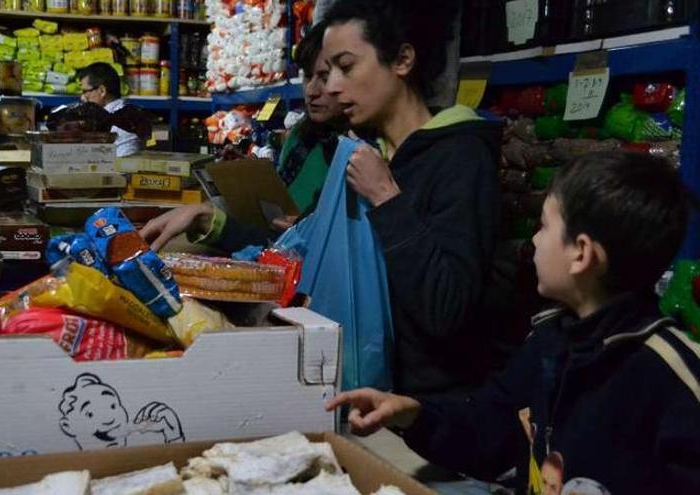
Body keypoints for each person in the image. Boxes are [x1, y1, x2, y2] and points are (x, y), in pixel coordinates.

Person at [326, 152, 700, 494]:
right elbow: (489, 429)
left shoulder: (673, 380)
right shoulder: (551, 341)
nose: (534, 241)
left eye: (544, 226)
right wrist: (413, 414)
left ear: (581, 254)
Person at [319, 0, 506, 394]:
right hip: (364, 395)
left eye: (346, 66)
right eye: (329, 70)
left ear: (402, 60)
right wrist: (212, 222)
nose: (332, 86)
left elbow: (446, 307)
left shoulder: (462, 157)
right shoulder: (369, 155)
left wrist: (386, 197)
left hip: (427, 416)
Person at [140, 22, 345, 253]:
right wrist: (247, 177)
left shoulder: (354, 154)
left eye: (325, 77)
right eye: (308, 76)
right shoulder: (301, 135)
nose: (311, 90)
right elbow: (279, 207)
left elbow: (314, 243)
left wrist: (212, 221)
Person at [78, 62, 153, 157]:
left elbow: (125, 165)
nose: (83, 98)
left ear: (102, 91)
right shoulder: (110, 116)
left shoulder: (121, 123)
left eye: (85, 92)